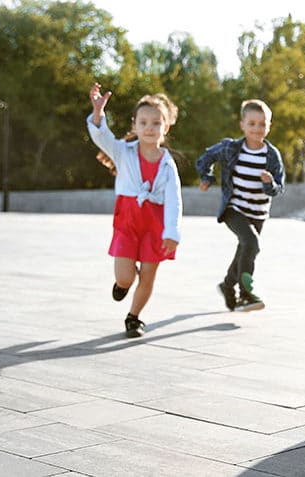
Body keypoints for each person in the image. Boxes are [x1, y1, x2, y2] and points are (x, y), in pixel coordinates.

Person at [87, 83, 183, 338]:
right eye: (143, 122)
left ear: (165, 127)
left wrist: (172, 232)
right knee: (126, 277)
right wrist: (98, 114)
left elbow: (174, 200)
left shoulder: (167, 164)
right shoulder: (123, 152)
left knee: (149, 275)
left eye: (155, 123)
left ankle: (134, 317)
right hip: (128, 221)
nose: (149, 128)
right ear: (135, 125)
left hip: (155, 225)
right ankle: (123, 284)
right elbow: (101, 136)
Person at [196, 99, 285, 312]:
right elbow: (205, 158)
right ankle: (246, 294)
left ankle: (228, 286)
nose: (257, 129)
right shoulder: (230, 148)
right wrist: (207, 177)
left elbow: (279, 188)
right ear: (242, 125)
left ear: (269, 126)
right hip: (233, 208)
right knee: (251, 243)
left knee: (245, 250)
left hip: (258, 212)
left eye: (262, 124)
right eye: (252, 123)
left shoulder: (271, 155)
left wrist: (269, 183)